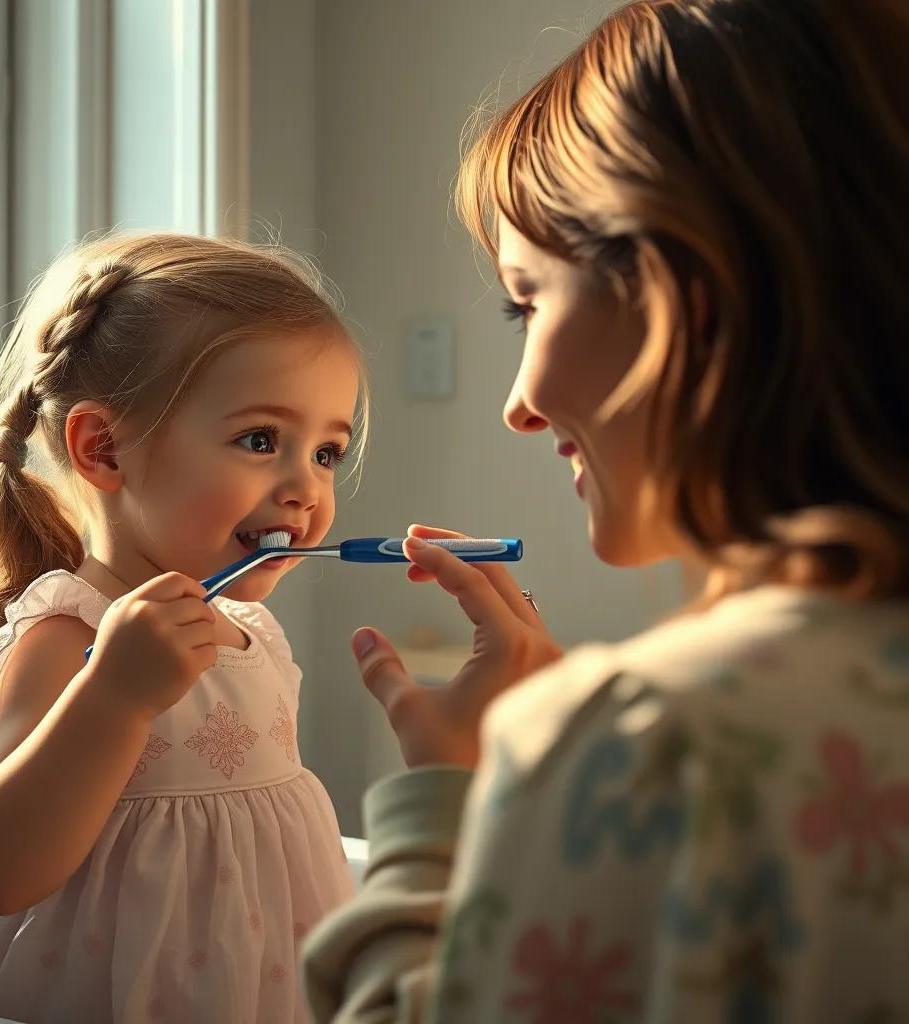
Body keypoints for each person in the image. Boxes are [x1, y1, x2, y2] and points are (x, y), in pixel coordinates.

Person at [302, 1, 909, 1020]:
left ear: (687, 293)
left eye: (526, 300)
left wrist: (448, 799)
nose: (518, 403)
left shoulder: (643, 742)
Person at [0, 233, 367, 1023]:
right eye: (262, 441)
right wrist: (113, 699)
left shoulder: (253, 631)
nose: (306, 488)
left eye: (328, 451)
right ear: (103, 449)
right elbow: (2, 872)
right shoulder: (69, 631)